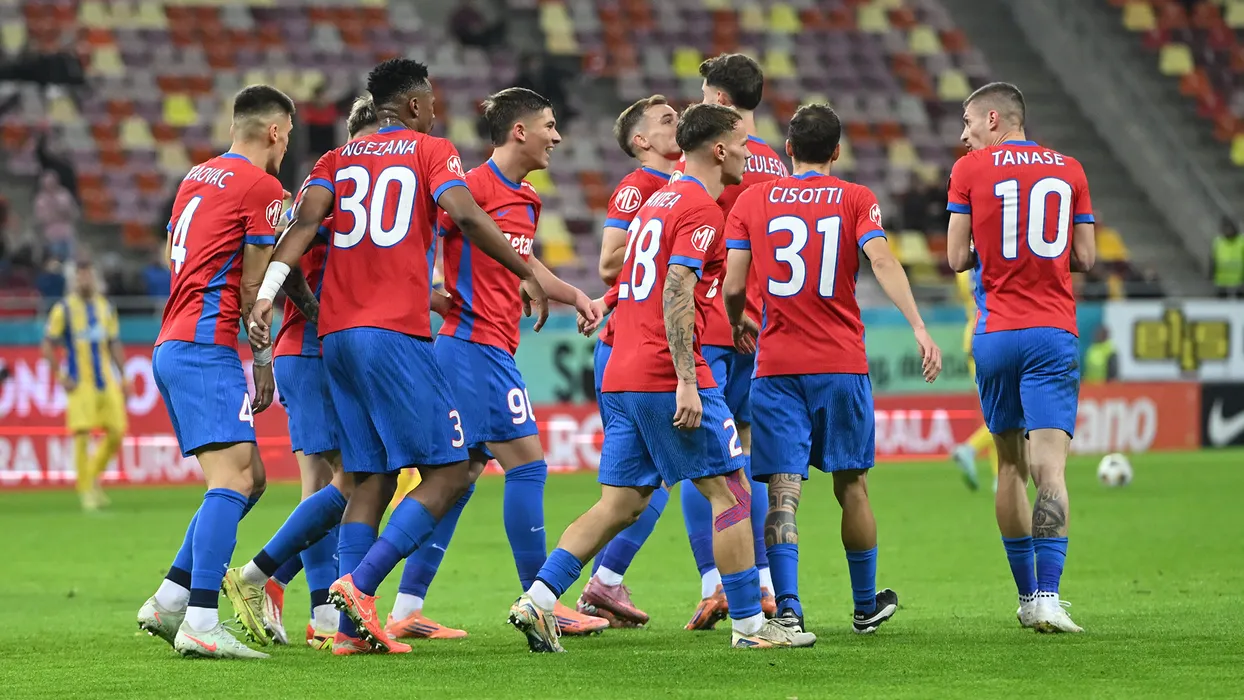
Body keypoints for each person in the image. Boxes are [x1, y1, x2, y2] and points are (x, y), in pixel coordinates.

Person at [247, 58, 549, 656]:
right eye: (431, 102)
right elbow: (466, 214)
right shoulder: (431, 150)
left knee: (371, 476)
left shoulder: (333, 160)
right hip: (394, 334)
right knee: (448, 473)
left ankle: (347, 632)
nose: (435, 112)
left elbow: (302, 225)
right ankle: (359, 589)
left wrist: (264, 294)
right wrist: (526, 271)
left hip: (335, 337)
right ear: (413, 106)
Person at [508, 103, 815, 652]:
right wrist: (687, 380)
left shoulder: (659, 201)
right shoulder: (700, 208)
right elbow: (675, 287)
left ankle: (538, 598)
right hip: (662, 370)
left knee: (621, 503)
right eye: (740, 146)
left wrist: (609, 306)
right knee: (732, 492)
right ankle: (750, 627)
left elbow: (634, 277)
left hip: (622, 368)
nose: (748, 155)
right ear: (718, 150)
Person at [382, 87, 604, 641]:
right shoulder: (469, 188)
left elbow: (524, 262)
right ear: (519, 131)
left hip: (487, 348)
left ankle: (404, 608)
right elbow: (411, 245)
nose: (557, 136)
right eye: (549, 125)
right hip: (471, 347)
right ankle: (540, 598)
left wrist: (574, 295)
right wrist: (431, 296)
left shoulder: (526, 198)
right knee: (527, 466)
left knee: (459, 478)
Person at [723, 104, 941, 634]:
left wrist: (737, 321)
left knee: (782, 491)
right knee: (853, 486)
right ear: (837, 151)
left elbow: (732, 285)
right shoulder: (855, 198)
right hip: (841, 364)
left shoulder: (753, 199)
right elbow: (882, 260)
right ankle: (865, 605)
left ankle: (788, 609)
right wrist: (918, 325)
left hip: (776, 367)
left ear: (788, 149)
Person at [135, 85, 294, 659]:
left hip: (175, 341)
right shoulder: (263, 187)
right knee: (231, 481)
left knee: (251, 478)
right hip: (205, 348)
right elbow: (254, 289)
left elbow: (183, 255)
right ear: (274, 132)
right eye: (287, 135)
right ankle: (201, 620)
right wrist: (263, 361)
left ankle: (171, 598)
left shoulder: (196, 176)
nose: (286, 146)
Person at [222, 96, 383, 652]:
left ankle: (313, 606)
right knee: (346, 481)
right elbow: (281, 258)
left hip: (321, 353)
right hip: (309, 352)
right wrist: (314, 312)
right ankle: (269, 579)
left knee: (332, 483)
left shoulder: (352, 192)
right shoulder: (330, 190)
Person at [946, 82, 1096, 634]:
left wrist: (994, 248)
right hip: (1052, 331)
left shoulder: (969, 171)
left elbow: (955, 256)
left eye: (968, 123)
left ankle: (1028, 596)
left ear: (993, 119)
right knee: (1050, 469)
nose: (964, 135)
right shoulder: (1071, 170)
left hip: (995, 334)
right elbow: (1086, 257)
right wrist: (1042, 257)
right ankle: (1050, 597)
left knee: (1009, 466)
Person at [677, 52, 788, 629]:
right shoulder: (776, 165)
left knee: (703, 458)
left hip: (711, 321)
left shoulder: (706, 158)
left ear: (718, 100)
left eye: (703, 94)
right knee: (743, 452)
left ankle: (716, 583)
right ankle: (763, 581)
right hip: (759, 322)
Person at [575, 94, 681, 628]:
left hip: (645, 341)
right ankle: (593, 583)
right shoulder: (639, 186)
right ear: (641, 141)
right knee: (648, 479)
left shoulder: (680, 184)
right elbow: (610, 260)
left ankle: (603, 582)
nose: (677, 123)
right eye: (666, 120)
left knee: (649, 480)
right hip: (629, 347)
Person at [41, 261, 127, 511]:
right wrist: (60, 375)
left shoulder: (105, 307)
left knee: (117, 431)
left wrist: (125, 377)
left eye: (88, 276)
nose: (84, 280)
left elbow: (113, 343)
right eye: (80, 277)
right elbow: (48, 344)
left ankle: (91, 477)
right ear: (74, 280)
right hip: (80, 383)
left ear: (94, 278)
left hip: (106, 381)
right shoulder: (64, 309)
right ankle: (86, 489)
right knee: (82, 434)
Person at [949, 268, 999, 493]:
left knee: (996, 413)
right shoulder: (991, 262)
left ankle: (1000, 478)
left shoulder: (963, 272)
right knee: (1009, 415)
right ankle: (969, 449)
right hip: (993, 335)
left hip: (973, 337)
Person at [1211, 216, 1243, 298]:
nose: (1228, 231)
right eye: (1226, 228)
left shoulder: (1241, 242)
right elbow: (1213, 260)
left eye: (1230, 228)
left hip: (1239, 282)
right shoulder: (1218, 242)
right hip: (1221, 281)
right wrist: (1211, 274)